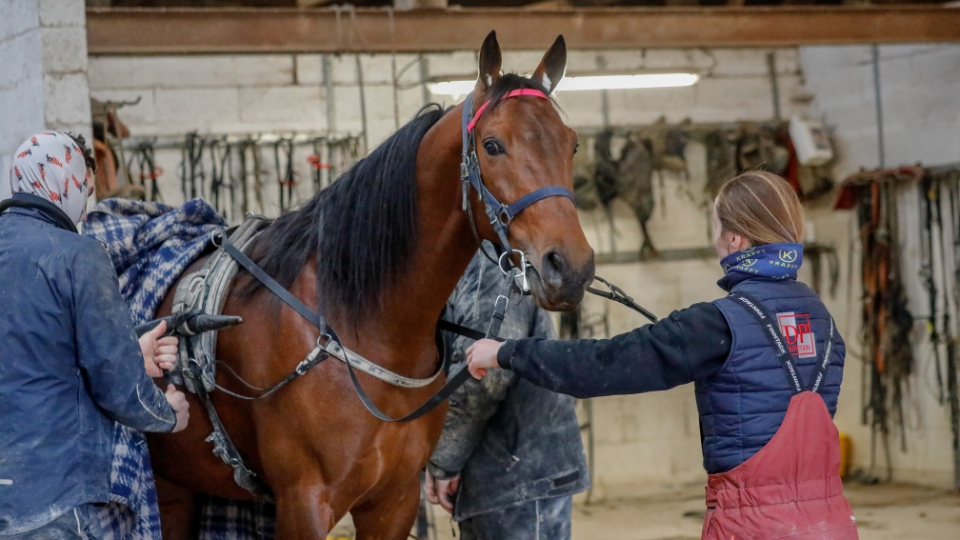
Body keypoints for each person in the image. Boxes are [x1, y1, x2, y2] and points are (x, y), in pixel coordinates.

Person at [466, 172, 859, 540]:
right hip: (832, 522)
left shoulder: (717, 324)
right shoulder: (822, 318)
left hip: (753, 524)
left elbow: (604, 365)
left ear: (736, 240)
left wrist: (505, 352)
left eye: (717, 228)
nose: (716, 238)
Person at [0, 132, 190, 539]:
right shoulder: (78, 255)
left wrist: (130, 346)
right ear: (64, 181)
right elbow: (119, 387)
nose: (85, 206)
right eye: (84, 189)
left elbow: (29, 348)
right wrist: (168, 413)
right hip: (51, 496)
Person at [424, 245, 590, 540]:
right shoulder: (462, 263)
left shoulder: (491, 264)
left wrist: (443, 462)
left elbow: (484, 380)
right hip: (498, 474)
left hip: (521, 478)